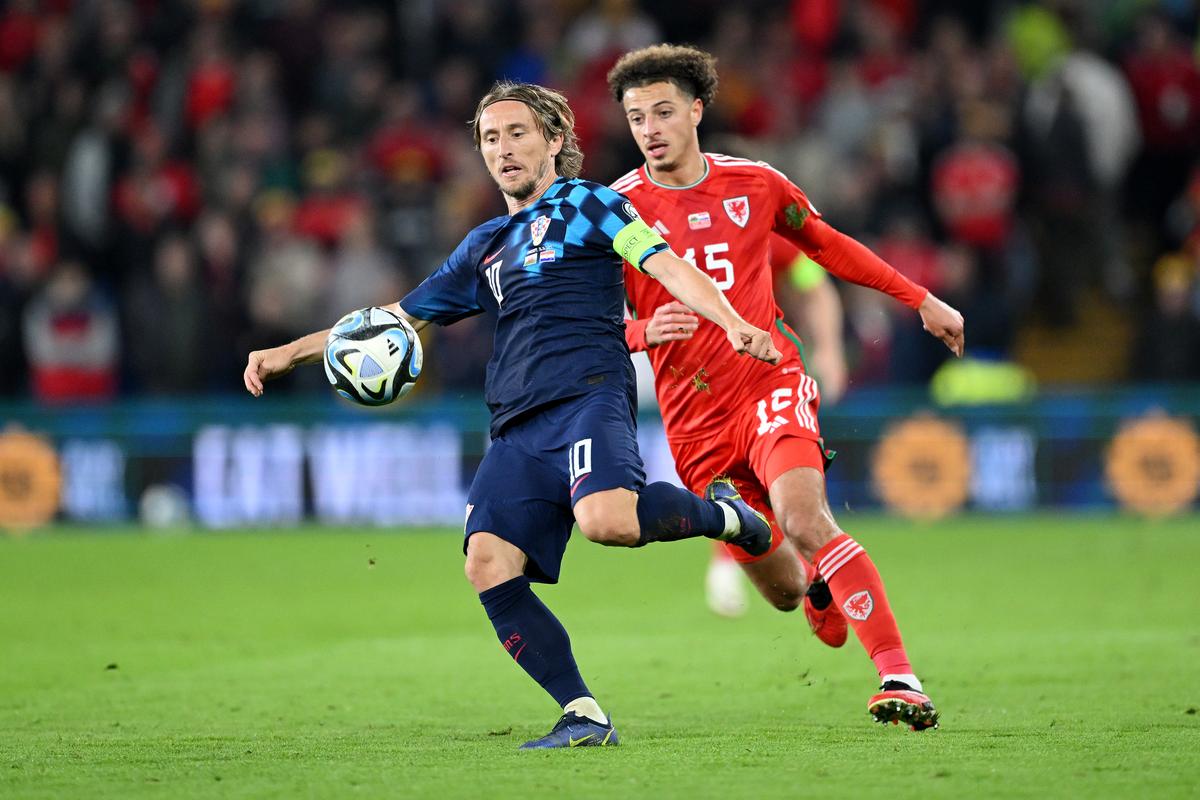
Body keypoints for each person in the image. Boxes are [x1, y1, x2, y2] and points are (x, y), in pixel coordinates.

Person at [243, 81, 783, 749]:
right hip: (518, 426)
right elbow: (390, 322)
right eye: (490, 138)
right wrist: (288, 352)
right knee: (487, 561)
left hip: (587, 394)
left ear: (554, 140)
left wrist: (728, 321)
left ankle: (729, 517)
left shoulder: (592, 203)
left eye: (518, 133)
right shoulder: (486, 244)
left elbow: (668, 267)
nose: (504, 148)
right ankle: (583, 713)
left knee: (607, 522)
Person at [607, 44, 964, 731]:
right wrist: (639, 334)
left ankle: (899, 675)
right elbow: (577, 325)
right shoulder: (615, 212)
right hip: (695, 427)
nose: (649, 128)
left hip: (769, 383)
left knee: (805, 518)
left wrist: (919, 298)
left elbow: (826, 248)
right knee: (783, 587)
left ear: (696, 111)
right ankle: (820, 590)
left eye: (662, 111)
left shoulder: (756, 185)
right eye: (635, 117)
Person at [704, 240, 847, 618]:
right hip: (698, 380)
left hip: (768, 370)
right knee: (735, 476)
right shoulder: (656, 221)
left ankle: (816, 565)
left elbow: (814, 285)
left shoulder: (762, 232)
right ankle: (798, 568)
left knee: (785, 470)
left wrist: (830, 349)